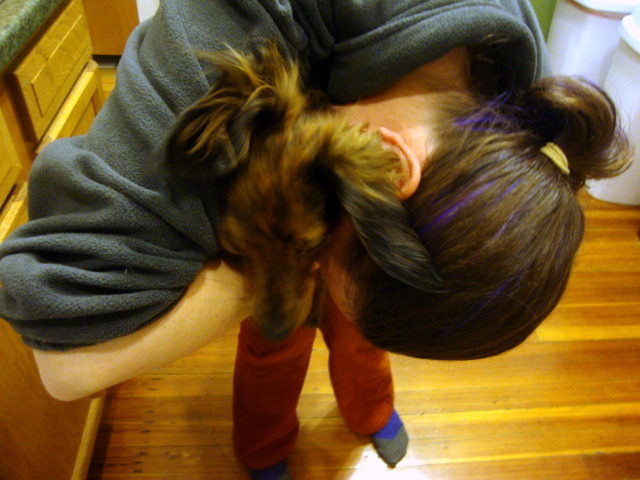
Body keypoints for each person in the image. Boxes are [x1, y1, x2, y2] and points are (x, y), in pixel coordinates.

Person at [0, 1, 630, 479]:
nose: (314, 275)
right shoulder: (219, 33)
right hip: (271, 220)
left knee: (363, 329)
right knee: (275, 340)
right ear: (387, 165)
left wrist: (341, 267)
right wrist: (273, 262)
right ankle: (264, 444)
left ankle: (371, 409)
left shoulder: (519, 86)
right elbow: (65, 368)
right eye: (321, 254)